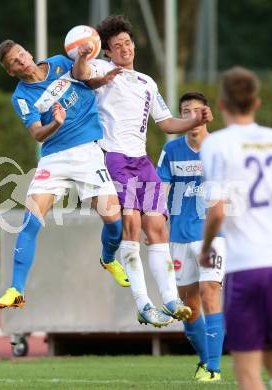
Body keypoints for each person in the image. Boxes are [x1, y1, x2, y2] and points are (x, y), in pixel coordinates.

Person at [72, 15, 213, 327]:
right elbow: (81, 74)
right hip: (114, 158)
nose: (125, 49)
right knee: (131, 223)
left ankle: (170, 297)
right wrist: (83, 56)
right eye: (117, 45)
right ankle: (143, 302)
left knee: (157, 226)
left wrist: (194, 120)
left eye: (128, 43)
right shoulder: (102, 70)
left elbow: (165, 123)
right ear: (106, 51)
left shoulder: (148, 82)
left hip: (141, 161)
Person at [0, 40, 129, 310]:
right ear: (11, 71)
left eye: (21, 54)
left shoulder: (59, 62)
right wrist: (55, 123)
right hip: (54, 158)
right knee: (30, 220)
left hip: (88, 153)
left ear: (28, 51)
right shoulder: (21, 96)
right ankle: (16, 290)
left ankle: (108, 258)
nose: (22, 61)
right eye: (14, 62)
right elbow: (36, 133)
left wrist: (101, 76)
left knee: (115, 224)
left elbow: (84, 81)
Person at [200, 67, 272, 390]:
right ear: (256, 103)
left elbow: (216, 212)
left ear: (222, 102)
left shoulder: (216, 144)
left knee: (248, 375)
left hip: (244, 268)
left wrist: (205, 250)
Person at [157, 92, 225, 382]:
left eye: (197, 110)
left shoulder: (220, 149)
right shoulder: (172, 150)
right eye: (186, 111)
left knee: (211, 292)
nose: (192, 115)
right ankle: (203, 360)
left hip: (212, 236)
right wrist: (155, 224)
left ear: (206, 114)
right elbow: (159, 190)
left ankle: (214, 368)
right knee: (189, 307)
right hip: (179, 237)